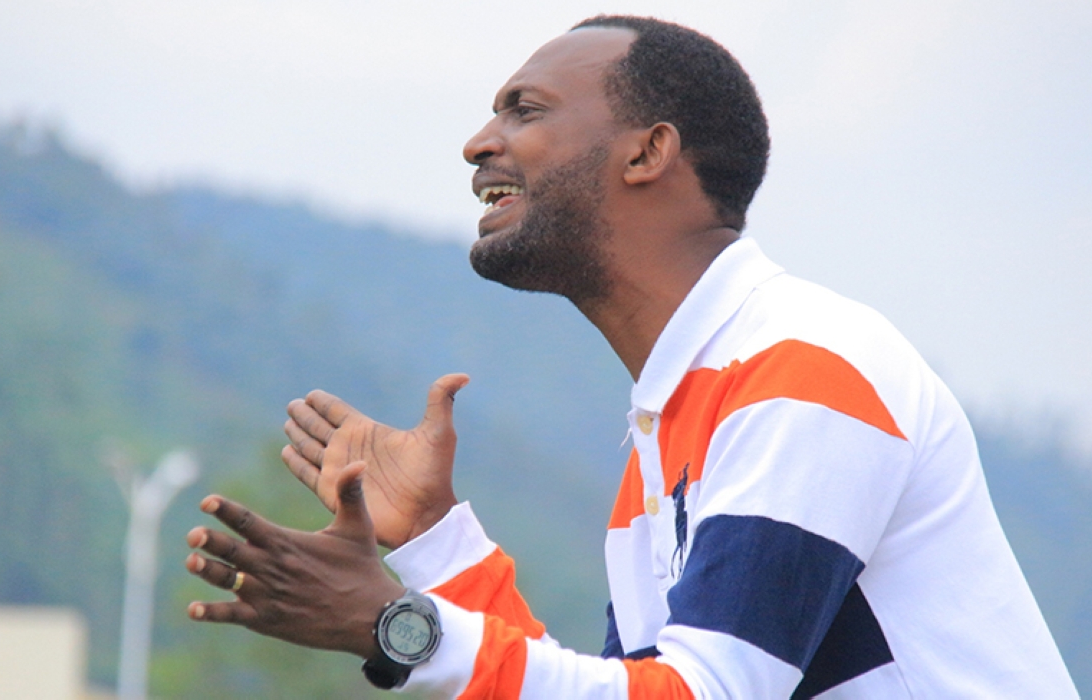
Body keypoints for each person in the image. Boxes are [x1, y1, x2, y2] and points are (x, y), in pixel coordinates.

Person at [184, 15, 1078, 698]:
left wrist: (394, 627)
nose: (477, 142)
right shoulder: (666, 435)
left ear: (648, 151)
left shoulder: (808, 370)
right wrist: (433, 542)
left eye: (523, 109)